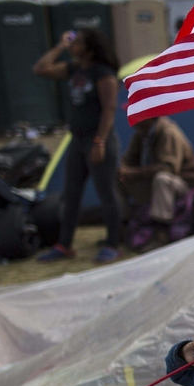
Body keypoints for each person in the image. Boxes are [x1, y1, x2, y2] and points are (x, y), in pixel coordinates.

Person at [33, 28, 122, 263]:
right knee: (71, 195)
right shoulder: (74, 69)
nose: (73, 44)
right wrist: (60, 46)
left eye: (78, 42)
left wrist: (99, 141)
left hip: (97, 139)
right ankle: (64, 245)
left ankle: (113, 244)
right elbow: (40, 69)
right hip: (77, 140)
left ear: (90, 48)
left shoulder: (103, 73)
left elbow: (109, 108)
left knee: (106, 193)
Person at [118, 115, 194, 251]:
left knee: (162, 179)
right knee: (118, 179)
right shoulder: (142, 134)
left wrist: (135, 173)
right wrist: (123, 171)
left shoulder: (168, 133)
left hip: (182, 184)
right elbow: (128, 159)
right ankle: (123, 225)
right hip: (152, 182)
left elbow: (169, 168)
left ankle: (161, 233)